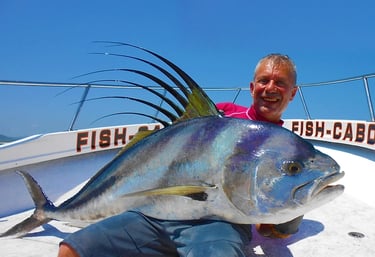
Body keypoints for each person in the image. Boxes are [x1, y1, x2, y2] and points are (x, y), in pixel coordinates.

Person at [58, 53, 300, 257]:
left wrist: (288, 214)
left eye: (280, 83)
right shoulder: (221, 114)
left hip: (218, 226)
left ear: (292, 93)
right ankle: (48, 211)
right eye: (264, 80)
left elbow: (266, 222)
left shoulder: (286, 150)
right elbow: (174, 142)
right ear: (252, 87)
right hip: (157, 212)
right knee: (70, 250)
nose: (270, 88)